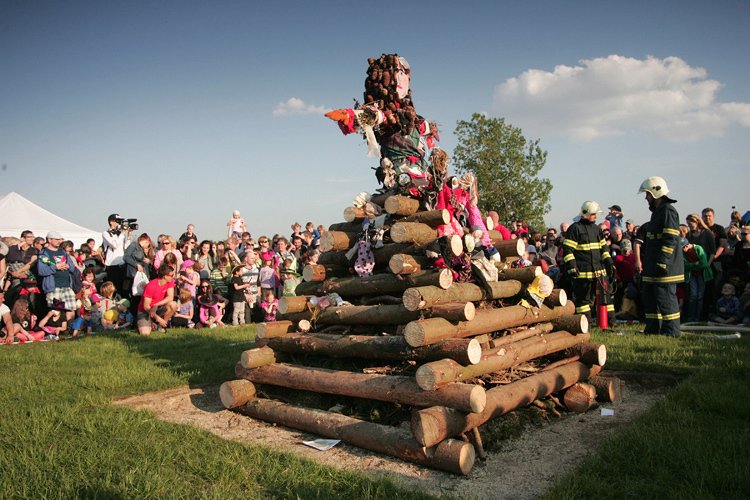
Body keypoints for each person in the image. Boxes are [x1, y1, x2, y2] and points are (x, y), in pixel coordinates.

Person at [638, 176, 683, 336]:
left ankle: (671, 331)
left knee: (666, 299)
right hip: (652, 265)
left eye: (647, 194)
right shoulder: (658, 212)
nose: (646, 198)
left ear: (656, 192)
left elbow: (670, 239)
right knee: (650, 297)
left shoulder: (668, 211)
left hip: (664, 266)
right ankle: (653, 329)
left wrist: (663, 261)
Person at [563, 201, 615, 322]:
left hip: (599, 272)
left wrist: (609, 263)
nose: (596, 217)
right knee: (583, 301)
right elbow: (568, 250)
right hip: (583, 273)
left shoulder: (597, 229)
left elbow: (604, 249)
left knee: (605, 298)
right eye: (593, 214)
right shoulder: (575, 228)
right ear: (585, 213)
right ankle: (586, 325)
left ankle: (610, 323)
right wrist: (572, 266)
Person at [37, 231, 79, 321]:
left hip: (67, 285)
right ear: (49, 240)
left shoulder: (63, 252)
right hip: (53, 286)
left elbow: (72, 268)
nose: (59, 241)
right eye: (57, 239)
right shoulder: (44, 254)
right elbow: (41, 271)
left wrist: (68, 266)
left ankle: (70, 329)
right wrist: (55, 267)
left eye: (60, 239)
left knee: (71, 308)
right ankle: (55, 331)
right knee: (55, 311)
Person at [136, 264, 178, 335]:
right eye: (171, 275)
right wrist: (158, 318)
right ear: (165, 276)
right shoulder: (151, 286)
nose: (173, 277)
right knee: (145, 334)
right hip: (145, 310)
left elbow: (170, 297)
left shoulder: (170, 282)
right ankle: (148, 324)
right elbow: (146, 306)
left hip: (157, 307)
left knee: (173, 304)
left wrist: (156, 304)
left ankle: (161, 326)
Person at [102, 214, 132, 298]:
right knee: (113, 290)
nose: (119, 223)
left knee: (123, 289)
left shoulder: (120, 234)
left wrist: (128, 235)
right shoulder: (106, 233)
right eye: (117, 221)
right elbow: (114, 245)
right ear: (111, 222)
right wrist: (122, 233)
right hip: (112, 266)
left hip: (122, 264)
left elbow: (126, 247)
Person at [682, 239, 712, 323]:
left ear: (687, 245)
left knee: (700, 297)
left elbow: (704, 264)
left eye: (682, 248)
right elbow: (684, 265)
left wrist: (692, 266)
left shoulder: (698, 249)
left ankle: (697, 318)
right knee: (693, 296)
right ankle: (690, 317)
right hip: (692, 276)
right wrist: (694, 264)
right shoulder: (684, 253)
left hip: (702, 275)